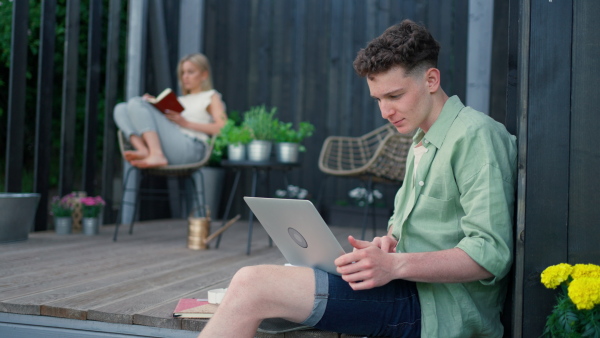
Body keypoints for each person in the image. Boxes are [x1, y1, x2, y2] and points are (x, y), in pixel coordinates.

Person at [198, 19, 516, 338]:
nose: (385, 111)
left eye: (394, 95)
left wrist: (395, 265)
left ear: (431, 79)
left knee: (252, 285)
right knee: (262, 284)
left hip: (440, 309)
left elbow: (490, 253)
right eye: (378, 99)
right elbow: (406, 228)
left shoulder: (476, 136)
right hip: (404, 288)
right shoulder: (421, 139)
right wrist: (388, 244)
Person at [114, 53, 227, 168]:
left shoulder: (210, 96)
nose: (185, 77)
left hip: (192, 148)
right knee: (121, 109)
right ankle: (143, 150)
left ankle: (156, 154)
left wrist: (186, 123)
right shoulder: (179, 100)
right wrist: (153, 105)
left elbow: (223, 128)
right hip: (170, 146)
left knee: (136, 103)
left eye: (190, 72)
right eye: (182, 73)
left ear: (204, 75)